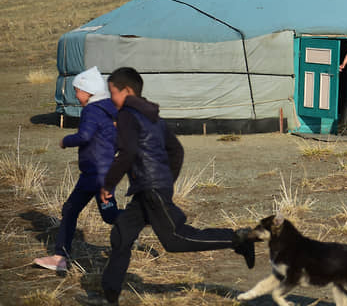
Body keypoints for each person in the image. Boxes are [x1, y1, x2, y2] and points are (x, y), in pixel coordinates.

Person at [95, 67, 256, 306]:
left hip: (149, 189)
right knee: (121, 235)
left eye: (113, 93)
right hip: (147, 189)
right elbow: (176, 151)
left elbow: (127, 152)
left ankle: (239, 239)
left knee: (175, 239)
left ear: (127, 91)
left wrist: (108, 184)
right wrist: (166, 182)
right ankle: (109, 298)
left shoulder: (129, 114)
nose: (112, 99)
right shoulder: (153, 116)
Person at [33, 66, 120, 272]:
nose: (74, 94)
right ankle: (146, 216)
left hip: (93, 173)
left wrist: (66, 140)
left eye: (77, 90)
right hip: (105, 171)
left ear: (88, 90)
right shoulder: (110, 109)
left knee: (71, 210)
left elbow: (84, 136)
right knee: (109, 215)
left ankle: (60, 258)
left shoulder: (91, 110)